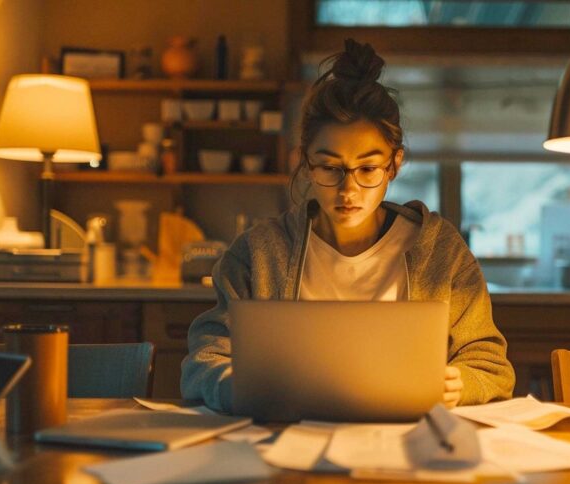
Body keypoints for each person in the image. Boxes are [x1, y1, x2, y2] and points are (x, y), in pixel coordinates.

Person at [181, 39, 515, 412]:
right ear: (306, 163)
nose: (348, 188)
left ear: (395, 164)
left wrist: (462, 383)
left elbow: (490, 365)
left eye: (368, 168)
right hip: (287, 438)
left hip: (409, 443)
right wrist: (238, 388)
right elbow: (203, 363)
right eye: (330, 168)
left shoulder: (440, 249)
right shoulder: (257, 253)